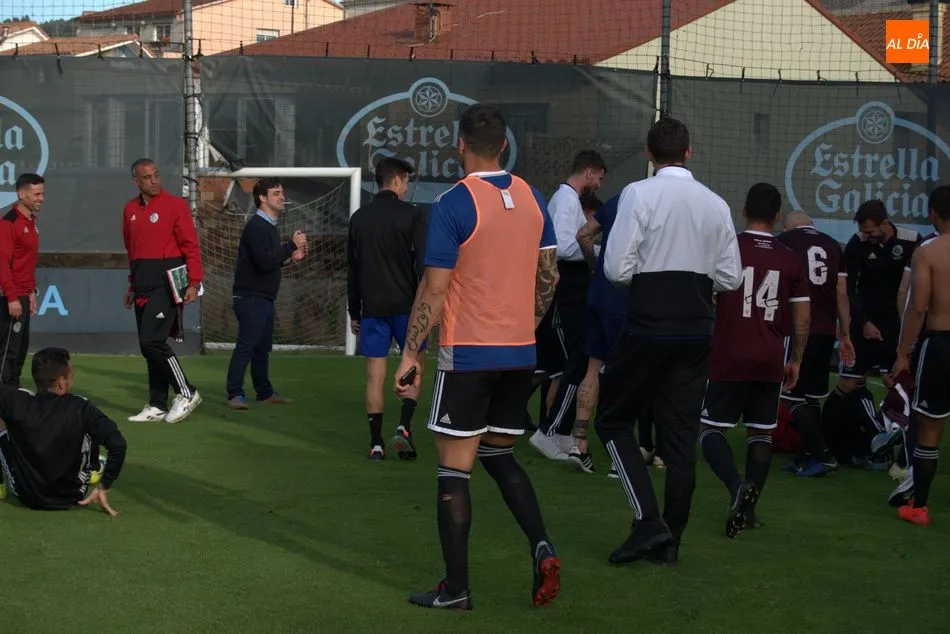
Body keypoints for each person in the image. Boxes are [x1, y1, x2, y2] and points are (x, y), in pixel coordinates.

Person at [393, 103, 561, 610]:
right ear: (504, 146)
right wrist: (524, 326)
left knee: (453, 471)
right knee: (498, 453)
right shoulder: (533, 197)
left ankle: (456, 590)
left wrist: (411, 353)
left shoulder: (452, 203)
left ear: (459, 145)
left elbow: (435, 288)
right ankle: (542, 546)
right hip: (519, 352)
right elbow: (549, 276)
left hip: (468, 353)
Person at [592, 117, 742, 566]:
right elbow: (731, 277)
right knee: (680, 440)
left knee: (612, 421)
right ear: (689, 152)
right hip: (696, 328)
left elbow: (616, 268)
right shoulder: (715, 203)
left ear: (649, 154)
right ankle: (670, 542)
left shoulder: (639, 193)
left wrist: (654, 278)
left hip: (649, 324)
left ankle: (648, 521)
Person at [699, 183, 810, 537]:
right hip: (770, 356)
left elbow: (705, 295)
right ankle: (749, 511)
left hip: (730, 352)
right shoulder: (790, 258)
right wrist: (796, 358)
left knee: (710, 429)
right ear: (777, 216)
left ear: (744, 211)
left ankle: (736, 486)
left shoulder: (727, 247)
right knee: (760, 433)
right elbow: (802, 318)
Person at [822, 201, 920, 470]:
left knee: (898, 385)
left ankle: (900, 454)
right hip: (863, 324)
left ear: (884, 223)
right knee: (849, 383)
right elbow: (849, 289)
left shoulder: (911, 241)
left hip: (896, 326)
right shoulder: (857, 244)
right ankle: (825, 440)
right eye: (863, 231)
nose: (866, 235)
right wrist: (862, 322)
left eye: (870, 230)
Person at [347, 157, 427, 461]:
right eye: (406, 181)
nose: (407, 187)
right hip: (408, 308)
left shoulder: (359, 218)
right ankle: (404, 427)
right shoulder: (413, 214)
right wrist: (427, 309)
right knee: (414, 366)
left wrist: (355, 311)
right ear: (396, 180)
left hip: (373, 308)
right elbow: (423, 267)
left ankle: (376, 443)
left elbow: (352, 270)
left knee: (374, 376)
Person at [530, 149, 607, 461]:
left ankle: (560, 432)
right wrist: (598, 252)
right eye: (599, 177)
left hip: (572, 294)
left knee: (577, 362)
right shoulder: (565, 200)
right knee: (574, 363)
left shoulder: (569, 200)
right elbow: (561, 247)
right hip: (566, 295)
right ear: (588, 172)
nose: (599, 184)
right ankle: (548, 431)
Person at [123, 158, 204, 424]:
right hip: (142, 286)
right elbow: (132, 250)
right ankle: (157, 404)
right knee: (147, 346)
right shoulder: (130, 209)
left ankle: (187, 392)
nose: (154, 180)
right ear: (136, 181)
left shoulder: (175, 205)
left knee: (152, 341)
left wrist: (194, 282)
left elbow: (190, 246)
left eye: (156, 174)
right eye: (147, 177)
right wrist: (132, 284)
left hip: (167, 285)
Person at [0, 347, 127, 516]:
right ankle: (95, 466)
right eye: (70, 378)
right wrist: (104, 486)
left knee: (5, 420)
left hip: (26, 495)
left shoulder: (14, 400)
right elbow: (118, 444)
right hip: (72, 495)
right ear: (61, 382)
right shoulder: (81, 407)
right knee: (89, 426)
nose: (71, 382)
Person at [776, 211, 855, 477]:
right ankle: (805, 457)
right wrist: (845, 334)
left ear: (787, 226)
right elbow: (842, 293)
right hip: (826, 331)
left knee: (789, 395)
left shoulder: (785, 241)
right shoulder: (832, 244)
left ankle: (824, 454)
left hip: (798, 328)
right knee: (811, 397)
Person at [887, 185, 950, 508]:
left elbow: (918, 307)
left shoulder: (928, 251)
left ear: (933, 214)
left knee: (929, 427)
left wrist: (902, 353)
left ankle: (919, 507)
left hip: (941, 343)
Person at [226, 178, 307, 410]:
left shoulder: (268, 227)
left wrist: (290, 258)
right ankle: (235, 393)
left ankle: (265, 392)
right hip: (250, 297)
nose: (283, 197)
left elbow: (268, 263)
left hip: (262, 296)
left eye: (282, 192)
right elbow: (264, 262)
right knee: (247, 345)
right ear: (262, 198)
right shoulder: (257, 226)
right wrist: (291, 246)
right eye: (276, 193)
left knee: (262, 348)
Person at [570, 193, 623, 474]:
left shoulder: (617, 201)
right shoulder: (652, 204)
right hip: (626, 298)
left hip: (599, 294)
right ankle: (618, 453)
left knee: (592, 369)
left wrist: (595, 268)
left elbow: (584, 234)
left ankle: (579, 443)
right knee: (623, 374)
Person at [0, 173, 44, 388]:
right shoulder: (9, 222)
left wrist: (31, 291)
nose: (41, 198)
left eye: (42, 194)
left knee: (20, 349)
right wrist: (12, 297)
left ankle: (13, 393)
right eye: (36, 194)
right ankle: (4, 396)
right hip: (11, 298)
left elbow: (26, 261)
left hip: (23, 294)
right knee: (8, 351)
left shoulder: (31, 221)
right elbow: (2, 262)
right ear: (21, 194)